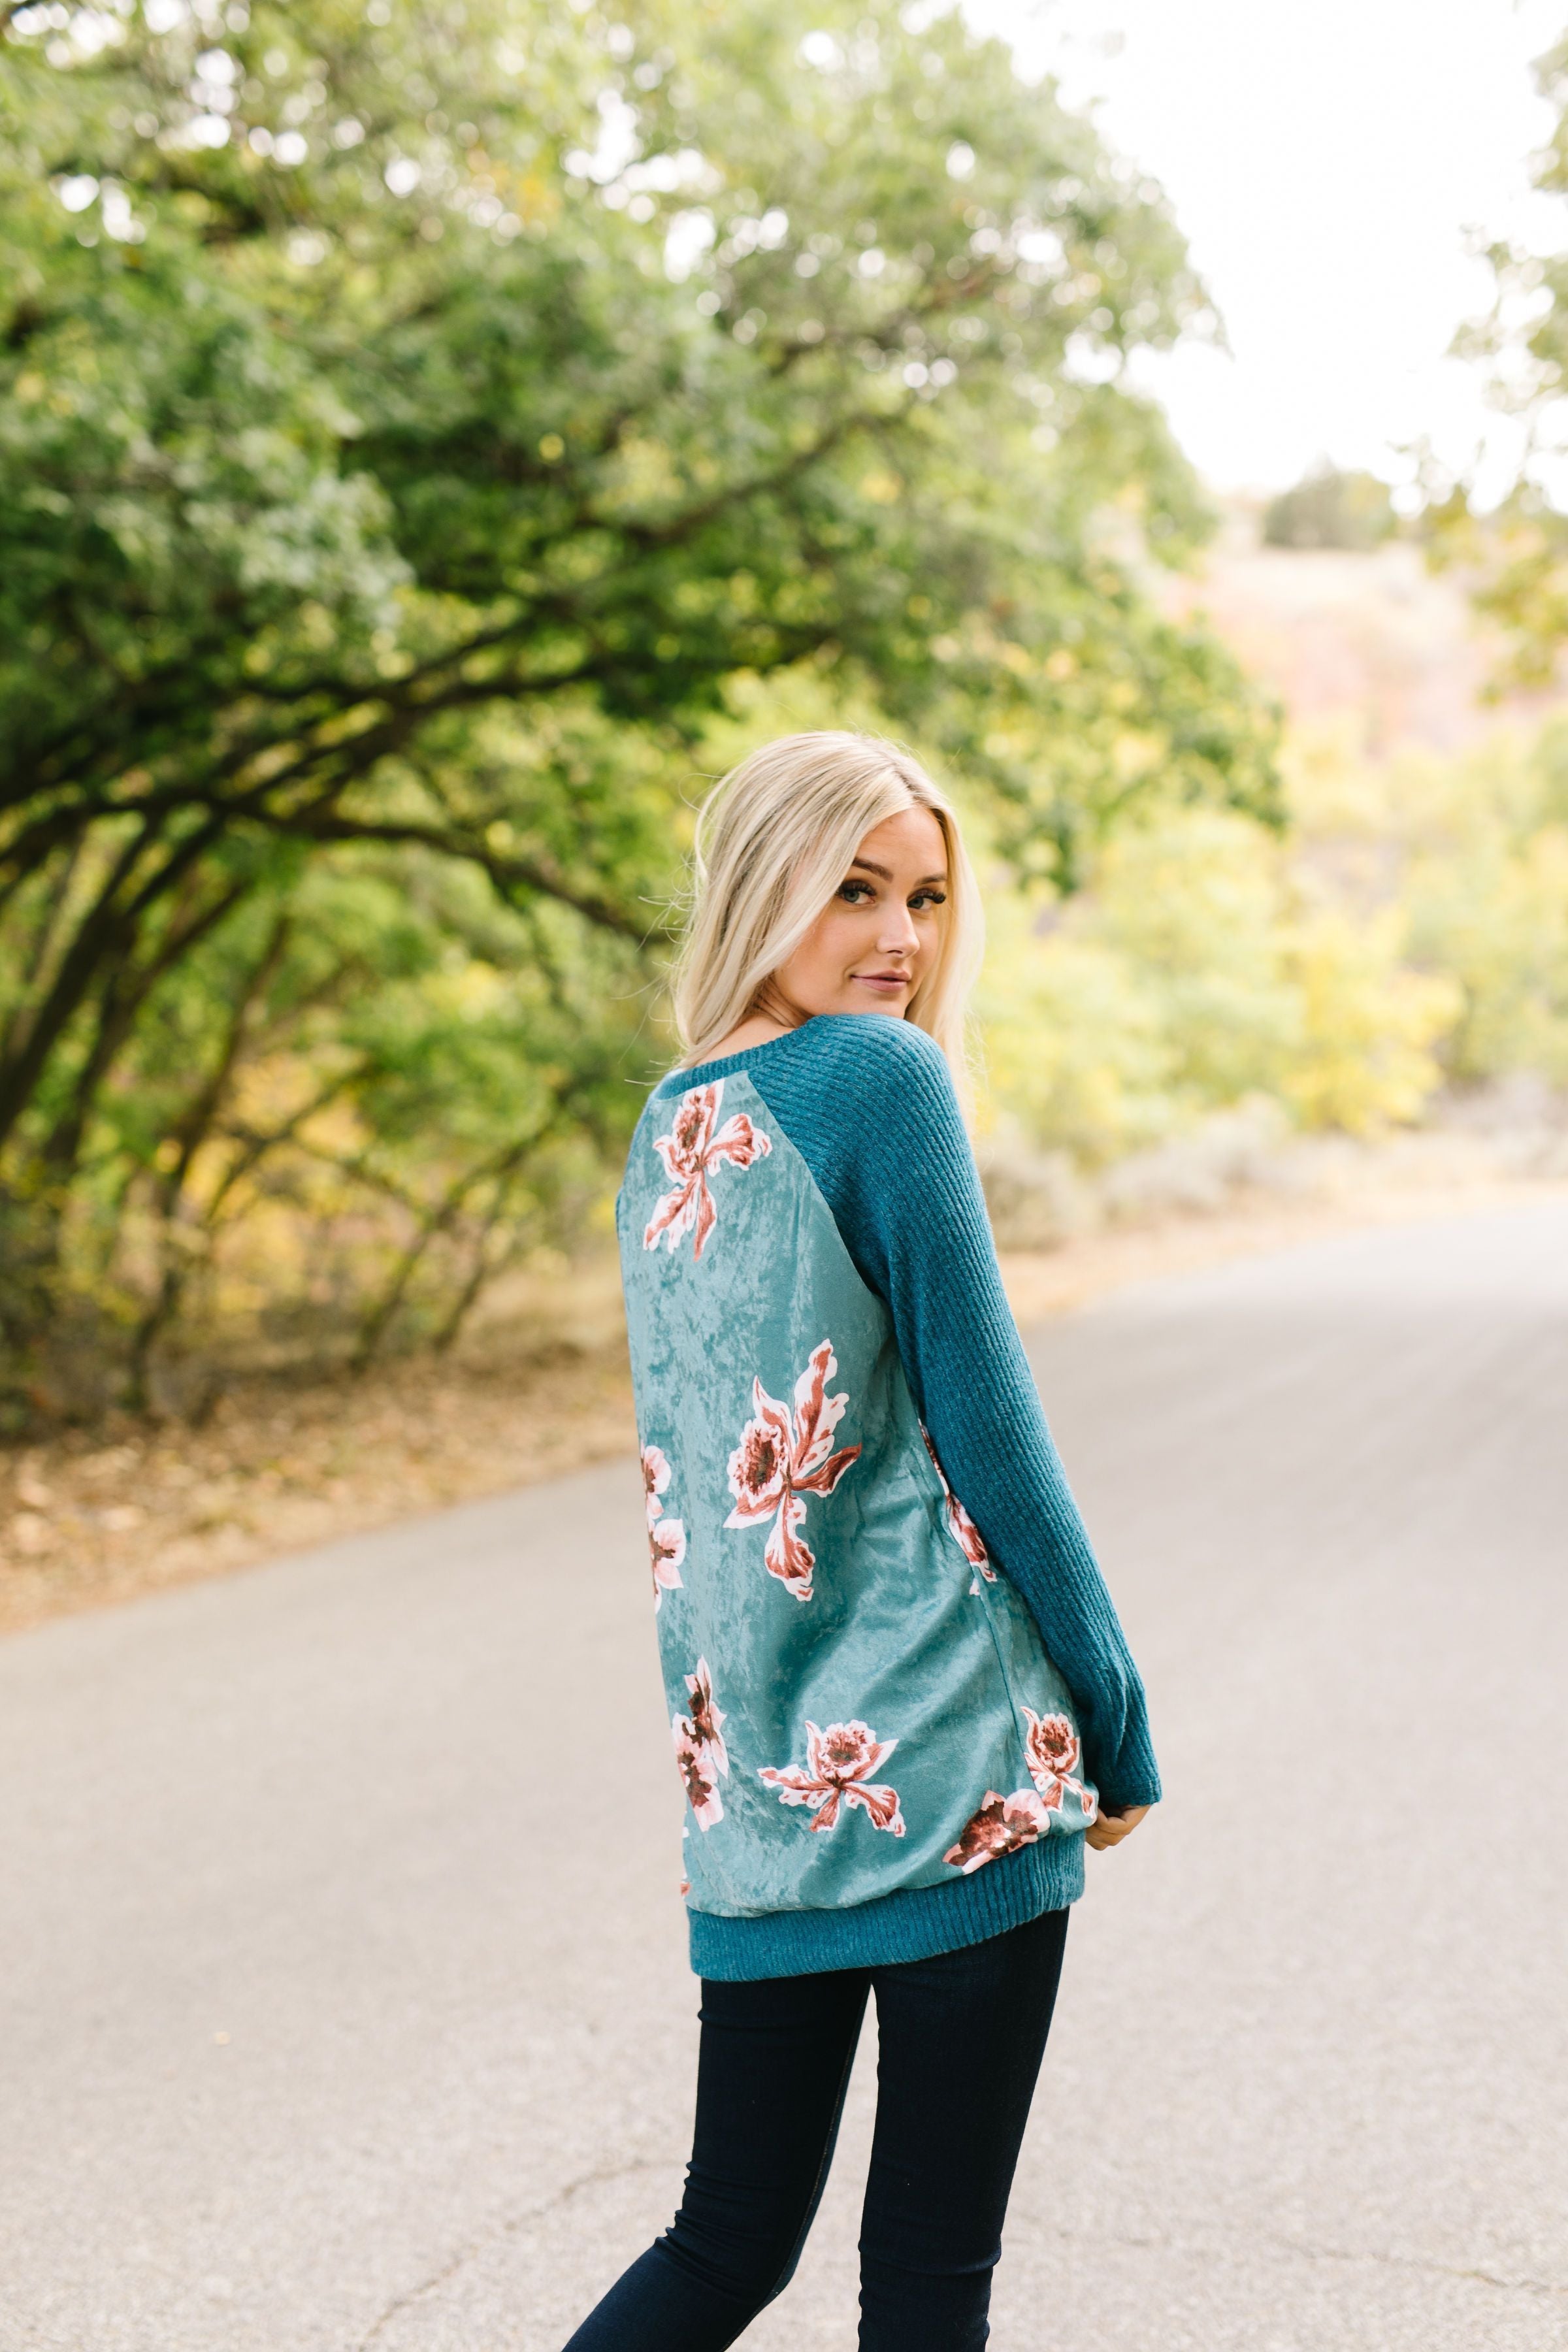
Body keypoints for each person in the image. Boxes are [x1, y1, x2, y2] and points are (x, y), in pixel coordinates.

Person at [566, 732, 1158, 2351]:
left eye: (926, 897)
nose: (899, 937)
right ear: (764, 886)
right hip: (950, 1766)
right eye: (853, 889)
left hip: (759, 1790)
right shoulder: (879, 1082)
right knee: (923, 2284)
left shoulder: (672, 1123)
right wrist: (1113, 1707)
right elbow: (993, 1429)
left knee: (723, 2241)